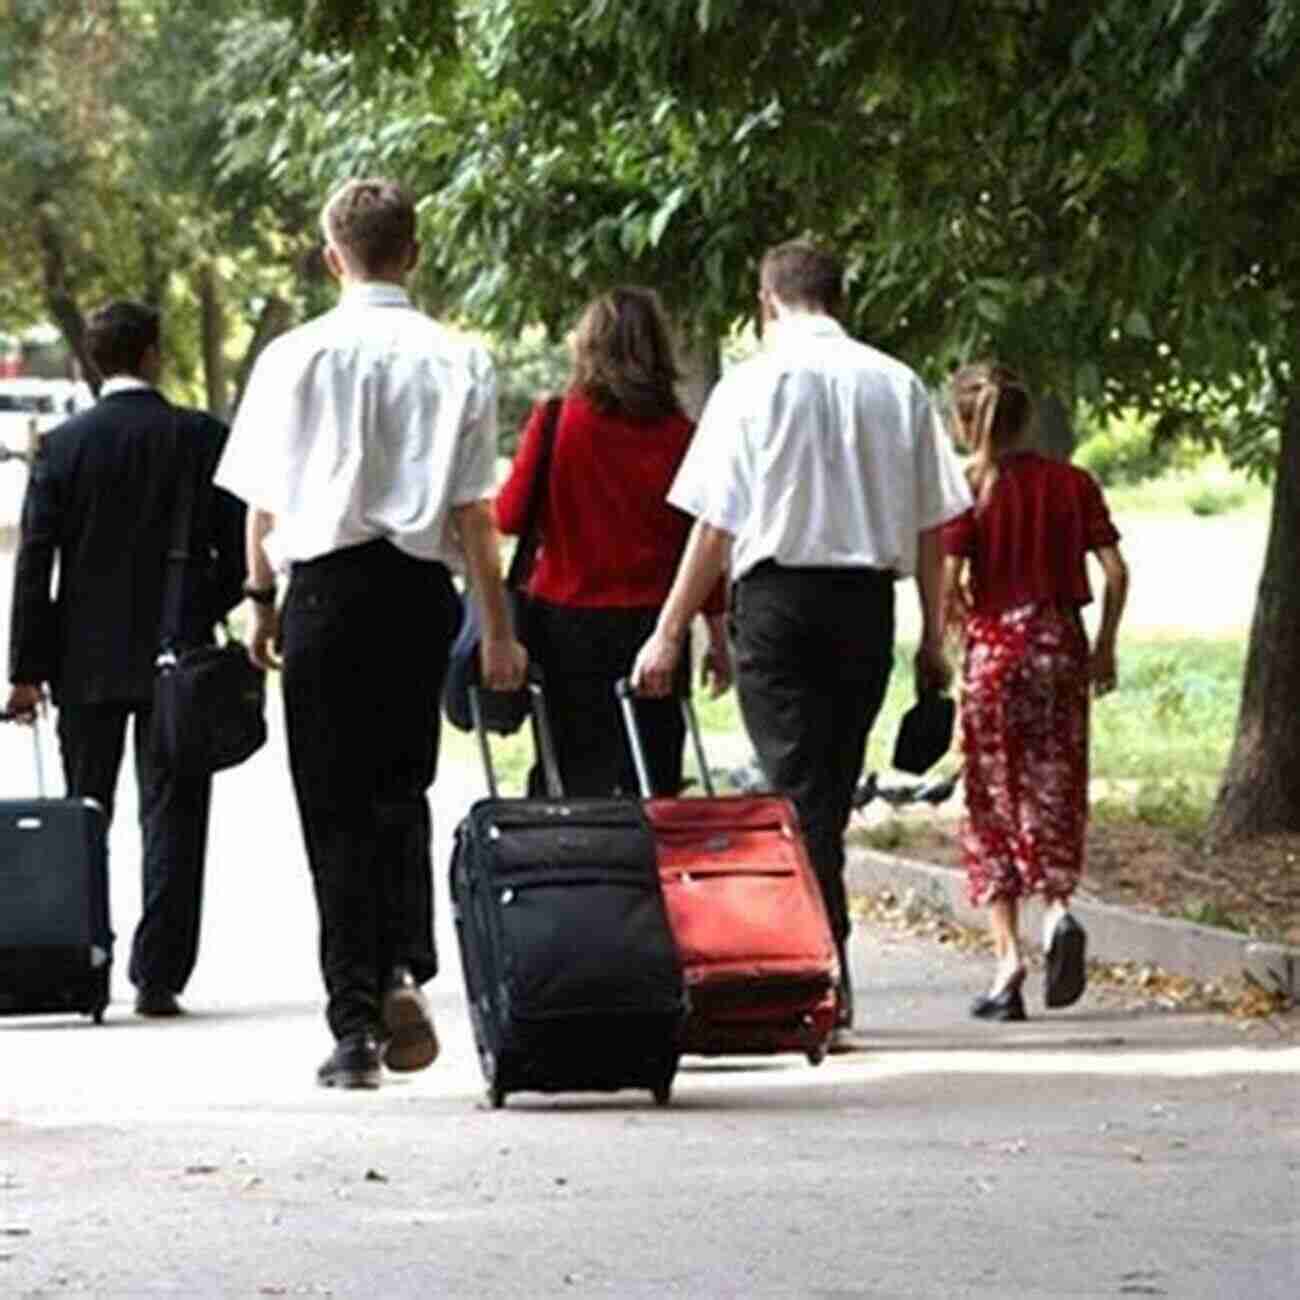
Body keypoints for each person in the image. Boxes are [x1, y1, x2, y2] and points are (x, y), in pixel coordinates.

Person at [214, 177, 527, 1090]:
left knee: (329, 805)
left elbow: (264, 504)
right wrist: (498, 630)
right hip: (417, 595)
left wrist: (261, 600)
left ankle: (352, 1024)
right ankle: (399, 964)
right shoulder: (459, 359)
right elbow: (474, 513)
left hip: (323, 593)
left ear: (330, 256)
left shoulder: (291, 357)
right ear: (415, 252)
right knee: (401, 790)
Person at [631, 240, 972, 1051]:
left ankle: (819, 971)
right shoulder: (896, 385)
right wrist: (933, 635)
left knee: (797, 790)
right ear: (841, 299)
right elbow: (933, 526)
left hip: (778, 602)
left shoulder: (749, 385)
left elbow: (716, 525)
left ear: (765, 301)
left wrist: (669, 630)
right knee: (823, 787)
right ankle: (824, 968)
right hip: (863, 605)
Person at [6, 301, 246, 1017]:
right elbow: (238, 550)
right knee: (174, 814)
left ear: (94, 359)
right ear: (151, 356)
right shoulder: (200, 438)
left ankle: (84, 968)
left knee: (87, 815)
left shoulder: (64, 446)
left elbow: (34, 565)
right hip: (181, 658)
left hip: (82, 663)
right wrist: (205, 608)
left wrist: (25, 670)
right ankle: (159, 973)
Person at [941, 362, 1129, 1022]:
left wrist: (951, 633)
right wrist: (1104, 645)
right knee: (1054, 787)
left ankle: (1007, 965)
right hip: (1059, 649)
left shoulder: (971, 489)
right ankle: (1058, 913)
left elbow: (949, 579)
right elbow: (1114, 570)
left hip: (994, 654)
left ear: (967, 424)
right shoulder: (1073, 483)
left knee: (992, 803)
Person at [495, 287, 730, 797]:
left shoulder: (557, 421)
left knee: (568, 773)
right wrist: (717, 632)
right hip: (654, 628)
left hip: (562, 626)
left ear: (587, 347)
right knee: (652, 777)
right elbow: (705, 539)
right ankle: (641, 874)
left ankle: (572, 869)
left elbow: (510, 516)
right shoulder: (683, 437)